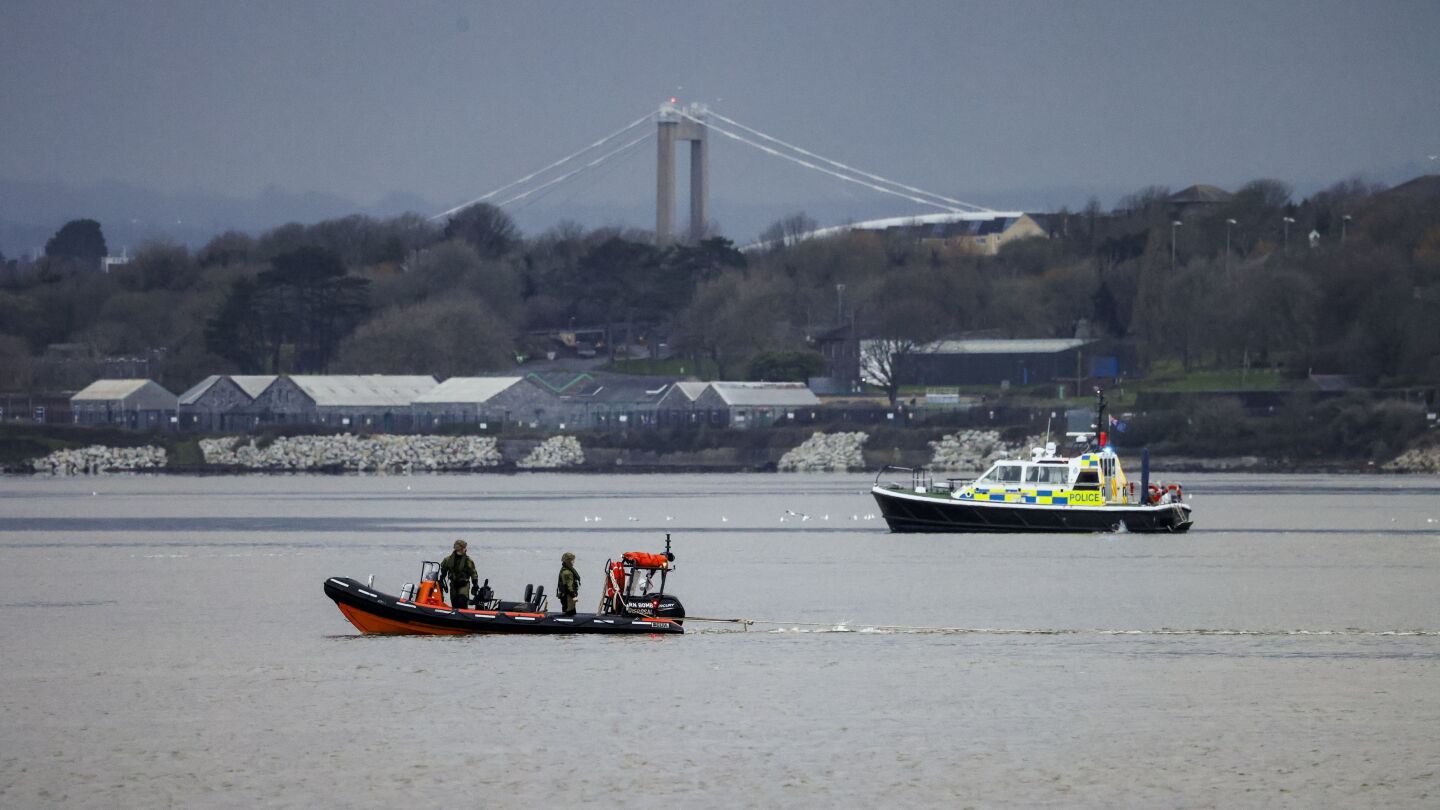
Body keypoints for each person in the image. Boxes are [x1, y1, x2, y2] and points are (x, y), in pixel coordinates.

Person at [439, 539, 479, 610]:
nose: (465, 549)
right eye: (464, 547)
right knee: (455, 603)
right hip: (453, 584)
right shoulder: (448, 560)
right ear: (460, 549)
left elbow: (473, 573)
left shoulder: (468, 561)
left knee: (462, 601)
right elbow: (443, 571)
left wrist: (475, 584)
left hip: (464, 585)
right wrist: (441, 581)